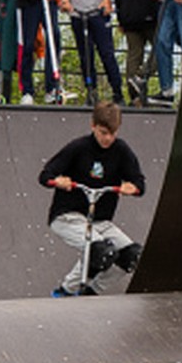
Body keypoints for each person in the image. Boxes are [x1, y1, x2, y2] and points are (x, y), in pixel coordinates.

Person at [39, 100, 145, 296]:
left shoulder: (121, 150)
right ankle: (65, 290)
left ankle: (91, 293)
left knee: (132, 256)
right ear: (93, 126)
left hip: (100, 222)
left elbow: (140, 183)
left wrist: (132, 187)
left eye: (113, 134)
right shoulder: (78, 148)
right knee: (101, 251)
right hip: (67, 217)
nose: (108, 139)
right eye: (103, 133)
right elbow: (45, 175)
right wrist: (58, 181)